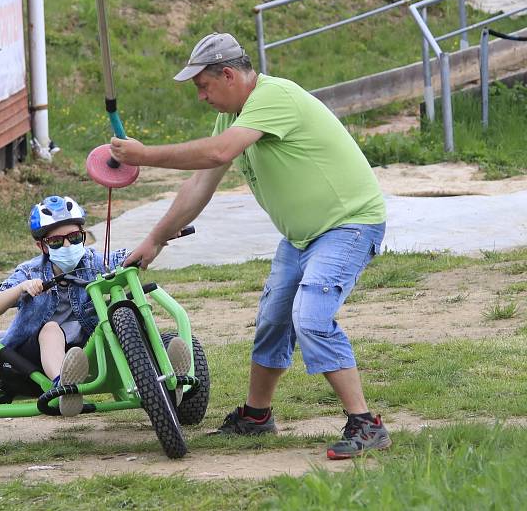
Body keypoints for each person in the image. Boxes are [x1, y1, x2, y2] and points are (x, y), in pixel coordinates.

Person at [109, 32, 390, 459]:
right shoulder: (234, 116)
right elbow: (200, 185)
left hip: (348, 225)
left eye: (203, 85)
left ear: (227, 74)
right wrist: (155, 239)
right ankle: (256, 417)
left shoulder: (273, 96)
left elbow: (218, 154)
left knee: (310, 318)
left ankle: (366, 425)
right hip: (301, 237)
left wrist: (144, 155)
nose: (201, 97)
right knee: (274, 321)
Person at [0, 195, 191, 417]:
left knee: (120, 320)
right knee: (51, 328)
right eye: (56, 241)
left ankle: (167, 378)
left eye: (74, 238)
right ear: (42, 246)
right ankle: (63, 387)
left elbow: (132, 260)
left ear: (83, 236)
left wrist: (159, 240)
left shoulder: (93, 262)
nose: (67, 245)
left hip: (86, 349)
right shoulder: (30, 271)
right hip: (36, 352)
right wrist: (22, 288)